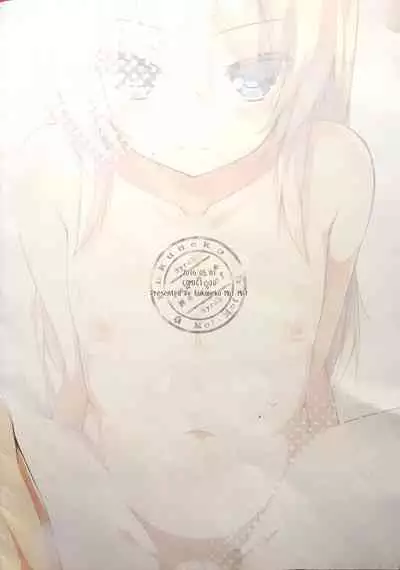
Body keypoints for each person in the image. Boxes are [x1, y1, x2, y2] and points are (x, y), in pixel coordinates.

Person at [0, 0, 377, 568]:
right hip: (112, 509)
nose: (193, 114)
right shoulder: (57, 172)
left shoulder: (329, 166)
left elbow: (315, 374)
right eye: (135, 72)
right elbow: (72, 383)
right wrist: (78, 513)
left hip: (282, 509)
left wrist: (322, 502)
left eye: (254, 75)